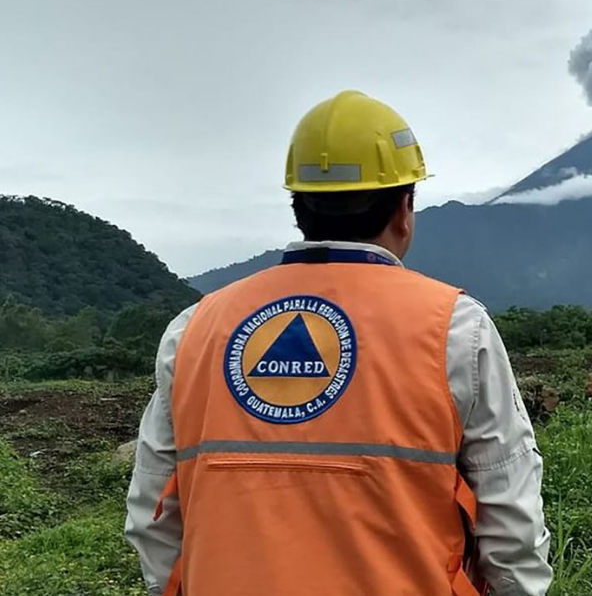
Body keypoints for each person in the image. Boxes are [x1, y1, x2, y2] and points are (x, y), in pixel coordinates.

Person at [124, 90, 553, 596]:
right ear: (405, 207)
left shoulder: (194, 329)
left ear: (297, 206)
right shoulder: (455, 328)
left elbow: (154, 517)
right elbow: (510, 517)